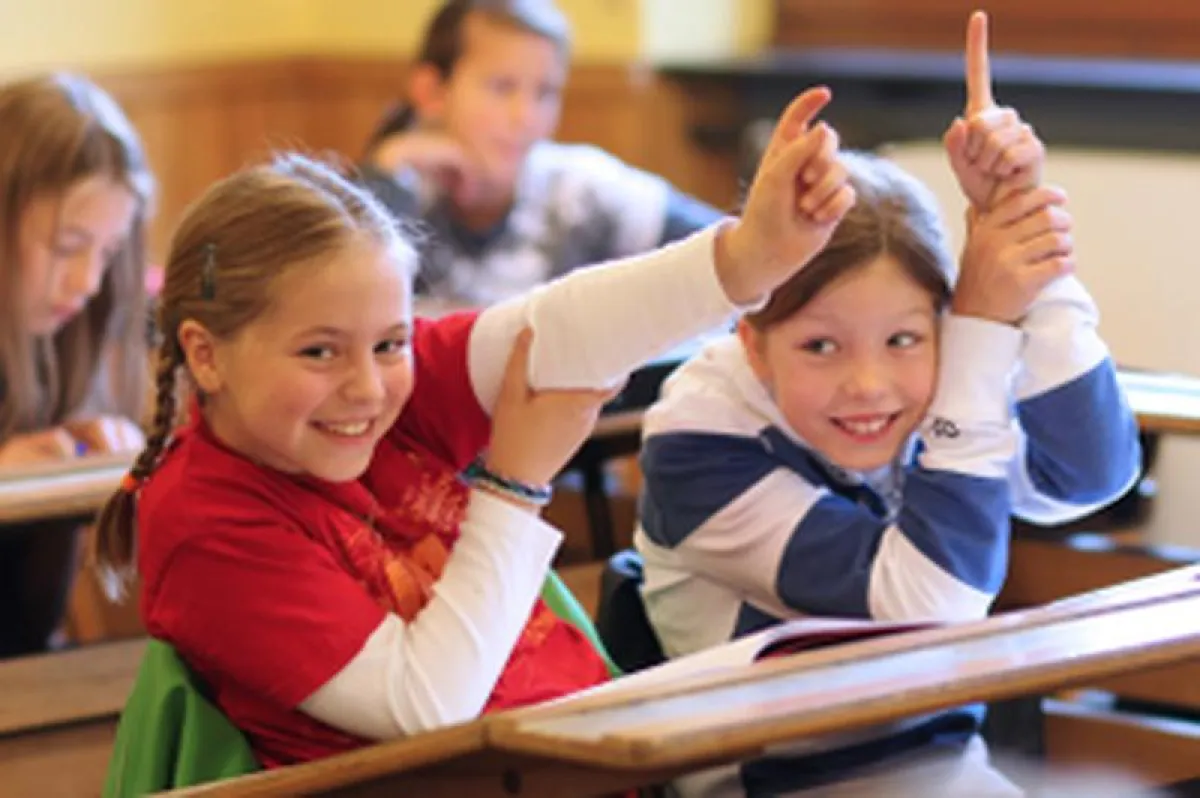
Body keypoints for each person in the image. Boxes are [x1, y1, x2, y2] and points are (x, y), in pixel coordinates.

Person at [92, 85, 856, 768]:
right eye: (319, 351)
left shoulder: (385, 396)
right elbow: (428, 711)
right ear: (206, 355)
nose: (365, 385)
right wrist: (515, 487)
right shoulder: (204, 518)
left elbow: (552, 331)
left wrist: (748, 258)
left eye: (390, 341)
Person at [633, 13, 1141, 796]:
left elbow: (1089, 477)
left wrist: (1025, 243)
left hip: (949, 774)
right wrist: (975, 326)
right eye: (820, 346)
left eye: (904, 339)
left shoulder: (939, 378)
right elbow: (929, 605)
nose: (869, 385)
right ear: (754, 341)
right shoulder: (695, 440)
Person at [357, 0, 723, 306]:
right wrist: (388, 172)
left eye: (545, 93)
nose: (527, 117)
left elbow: (726, 250)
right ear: (432, 91)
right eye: (502, 87)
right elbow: (349, 289)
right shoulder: (397, 185)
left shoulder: (579, 190)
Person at [0, 73, 154, 658]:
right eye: (67, 247)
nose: (88, 282)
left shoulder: (58, 336)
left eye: (108, 252)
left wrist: (82, 450)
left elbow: (33, 629)